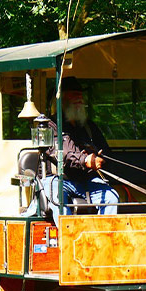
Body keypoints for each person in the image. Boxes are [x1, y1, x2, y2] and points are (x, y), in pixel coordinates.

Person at [55, 76, 118, 214]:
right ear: (63, 98)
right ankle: (68, 235)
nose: (79, 98)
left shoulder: (88, 126)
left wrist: (100, 158)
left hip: (86, 179)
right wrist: (86, 160)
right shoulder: (52, 125)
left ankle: (105, 234)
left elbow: (106, 151)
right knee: (58, 201)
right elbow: (64, 153)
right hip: (60, 179)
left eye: (81, 95)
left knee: (111, 197)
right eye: (74, 94)